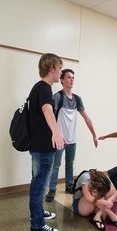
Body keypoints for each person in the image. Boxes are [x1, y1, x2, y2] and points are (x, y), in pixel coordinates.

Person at [45, 69, 98, 202]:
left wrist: (94, 134)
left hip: (72, 139)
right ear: (62, 80)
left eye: (73, 77)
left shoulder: (77, 99)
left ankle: (69, 186)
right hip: (59, 139)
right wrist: (54, 134)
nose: (72, 80)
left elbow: (87, 118)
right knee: (55, 165)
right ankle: (52, 189)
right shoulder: (57, 97)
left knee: (70, 163)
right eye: (69, 77)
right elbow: (50, 116)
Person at [29, 53, 64, 231]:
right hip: (43, 147)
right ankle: (37, 224)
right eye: (59, 68)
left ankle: (37, 213)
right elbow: (46, 108)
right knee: (39, 185)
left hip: (38, 145)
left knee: (38, 182)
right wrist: (56, 131)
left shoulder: (38, 88)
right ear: (51, 68)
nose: (60, 72)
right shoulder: (44, 88)